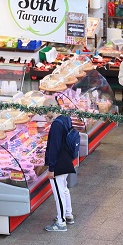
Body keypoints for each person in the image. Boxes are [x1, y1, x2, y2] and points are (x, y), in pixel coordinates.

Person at [41, 99, 77, 232]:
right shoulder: (65, 118)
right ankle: (68, 215)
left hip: (58, 164)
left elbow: (54, 148)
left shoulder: (56, 125)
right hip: (66, 160)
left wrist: (51, 169)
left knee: (58, 193)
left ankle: (61, 223)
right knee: (64, 189)